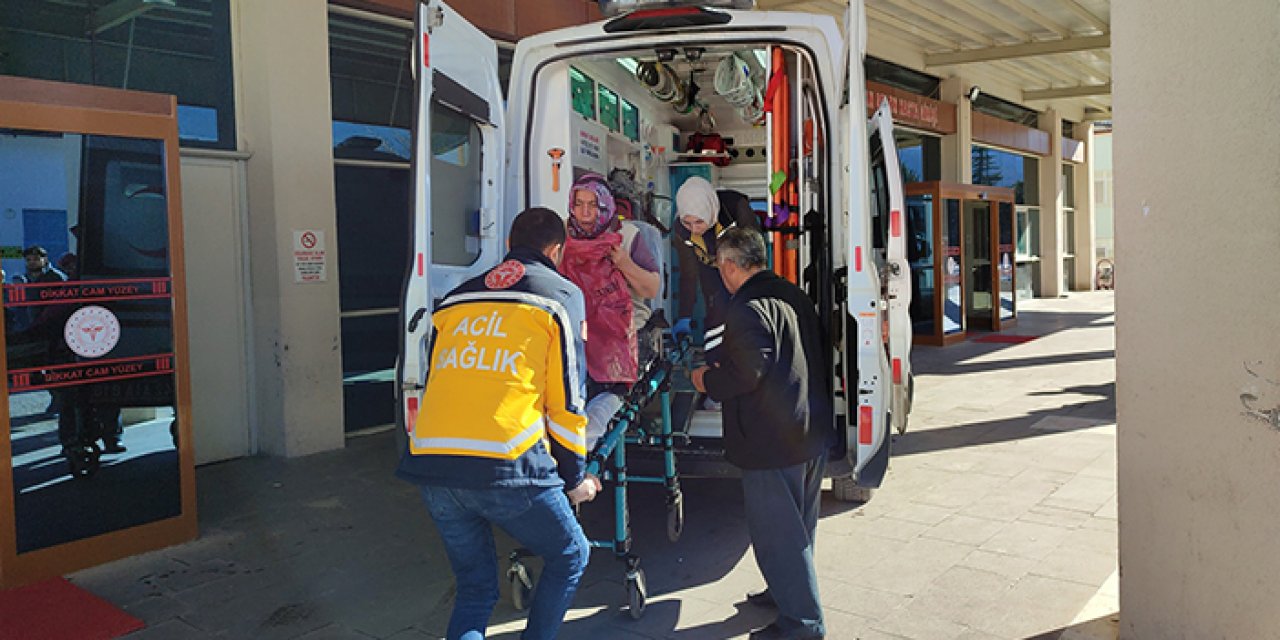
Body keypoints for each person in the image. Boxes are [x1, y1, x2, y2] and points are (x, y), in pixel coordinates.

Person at [396, 207, 602, 640]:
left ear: (508, 246)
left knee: (475, 590)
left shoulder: (456, 298)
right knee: (570, 555)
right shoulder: (560, 297)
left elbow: (439, 377)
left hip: (434, 461)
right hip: (507, 460)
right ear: (557, 250)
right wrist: (574, 476)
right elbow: (567, 399)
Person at [690, 227, 833, 640]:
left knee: (778, 537)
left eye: (721, 266)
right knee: (799, 530)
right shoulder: (792, 294)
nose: (721, 273)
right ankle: (786, 593)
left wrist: (706, 380)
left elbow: (749, 372)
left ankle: (803, 626)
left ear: (731, 265)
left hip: (772, 442)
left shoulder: (746, 307)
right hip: (808, 431)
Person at [559, 173, 661, 447]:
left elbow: (652, 288)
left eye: (593, 204)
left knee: (606, 395)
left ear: (606, 205)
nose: (585, 212)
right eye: (579, 204)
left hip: (623, 334)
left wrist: (624, 263)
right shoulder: (562, 234)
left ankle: (586, 444)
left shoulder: (627, 237)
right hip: (579, 333)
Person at [671, 176, 761, 366]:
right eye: (688, 222)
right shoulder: (681, 230)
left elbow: (756, 254)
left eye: (698, 222)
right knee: (716, 312)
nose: (694, 230)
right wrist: (685, 315)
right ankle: (717, 366)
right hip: (711, 270)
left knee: (744, 314)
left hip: (743, 269)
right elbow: (689, 273)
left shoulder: (735, 208)